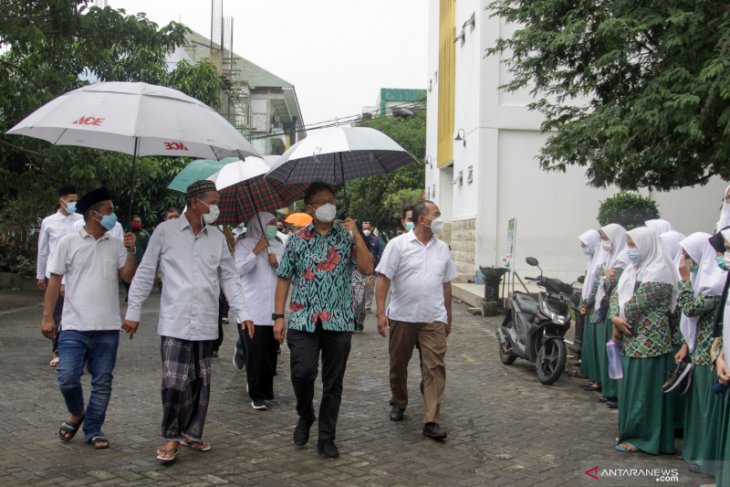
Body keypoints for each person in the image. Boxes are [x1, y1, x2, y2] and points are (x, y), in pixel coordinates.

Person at [123, 180, 254, 464]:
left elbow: (229, 277)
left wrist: (242, 312)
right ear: (195, 202)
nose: (216, 207)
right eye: (213, 201)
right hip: (174, 320)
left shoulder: (217, 238)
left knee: (199, 382)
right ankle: (171, 436)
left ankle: (192, 432)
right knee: (173, 381)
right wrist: (133, 310)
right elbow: (146, 270)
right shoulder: (165, 232)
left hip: (206, 321)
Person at [273, 182, 373, 459]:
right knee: (301, 374)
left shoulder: (346, 237)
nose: (329, 205)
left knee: (333, 383)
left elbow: (367, 269)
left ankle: (327, 437)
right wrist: (278, 317)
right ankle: (305, 415)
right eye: (322, 201)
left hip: (338, 321)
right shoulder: (296, 240)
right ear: (309, 208)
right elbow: (283, 278)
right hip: (303, 320)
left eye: (332, 200)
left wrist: (356, 234)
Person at [41, 187, 137, 449]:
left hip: (107, 326)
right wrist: (47, 316)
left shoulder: (116, 244)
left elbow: (127, 276)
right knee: (67, 376)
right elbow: (54, 280)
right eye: (109, 210)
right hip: (73, 324)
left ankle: (93, 429)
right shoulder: (68, 242)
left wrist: (131, 250)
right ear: (94, 214)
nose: (113, 215)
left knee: (102, 381)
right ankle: (76, 412)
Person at [375, 200, 458, 441]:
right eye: (436, 214)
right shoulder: (397, 245)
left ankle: (431, 420)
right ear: (423, 219)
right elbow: (383, 279)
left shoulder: (443, 248)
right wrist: (381, 313)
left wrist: (448, 317)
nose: (440, 218)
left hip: (433, 318)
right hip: (402, 317)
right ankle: (399, 402)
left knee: (434, 368)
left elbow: (447, 285)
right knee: (398, 366)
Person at [610, 226, 677, 454]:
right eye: (628, 244)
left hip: (650, 340)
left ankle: (645, 439)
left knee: (645, 393)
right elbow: (615, 296)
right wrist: (614, 318)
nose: (630, 250)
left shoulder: (660, 272)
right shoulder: (633, 270)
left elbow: (637, 303)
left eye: (633, 244)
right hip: (632, 338)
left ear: (647, 244)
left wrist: (618, 320)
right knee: (632, 390)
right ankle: (632, 431)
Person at [675, 232, 725, 475]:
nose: (685, 261)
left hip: (710, 355)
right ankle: (696, 454)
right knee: (698, 407)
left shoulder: (714, 284)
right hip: (701, 352)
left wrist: (684, 279)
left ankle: (706, 459)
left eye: (688, 256)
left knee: (706, 408)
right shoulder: (705, 279)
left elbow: (689, 309)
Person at [235, 212, 284, 410]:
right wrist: (256, 250)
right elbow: (238, 270)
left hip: (273, 309)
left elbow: (288, 274)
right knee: (255, 354)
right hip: (252, 309)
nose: (274, 227)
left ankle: (266, 390)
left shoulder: (280, 246)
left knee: (270, 354)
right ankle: (256, 394)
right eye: (269, 224)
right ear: (259, 225)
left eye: (275, 223)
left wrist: (277, 264)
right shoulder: (243, 245)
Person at [37, 186, 83, 367]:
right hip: (54, 274)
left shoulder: (80, 221)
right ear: (61, 200)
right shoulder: (49, 222)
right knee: (57, 313)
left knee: (74, 312)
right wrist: (40, 274)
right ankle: (57, 350)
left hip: (76, 274)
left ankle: (75, 349)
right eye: (71, 200)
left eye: (76, 200)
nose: (74, 203)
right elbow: (43, 250)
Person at [575, 229, 604, 358]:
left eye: (585, 245)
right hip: (589, 305)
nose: (584, 249)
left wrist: (587, 303)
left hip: (597, 306)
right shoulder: (591, 260)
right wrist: (584, 303)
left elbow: (597, 286)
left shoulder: (601, 261)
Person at [124, 214, 150, 302]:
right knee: (128, 280)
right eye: (135, 222)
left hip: (141, 261)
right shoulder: (127, 233)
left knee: (138, 280)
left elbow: (149, 248)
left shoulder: (145, 234)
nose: (137, 223)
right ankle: (129, 294)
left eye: (139, 222)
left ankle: (137, 296)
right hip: (129, 260)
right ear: (131, 222)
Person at [362, 221, 384, 314]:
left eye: (368, 228)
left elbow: (383, 253)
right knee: (358, 289)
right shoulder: (358, 239)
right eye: (364, 229)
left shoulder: (377, 240)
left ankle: (367, 306)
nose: (366, 230)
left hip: (371, 270)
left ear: (371, 229)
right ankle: (358, 306)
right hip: (358, 270)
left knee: (369, 289)